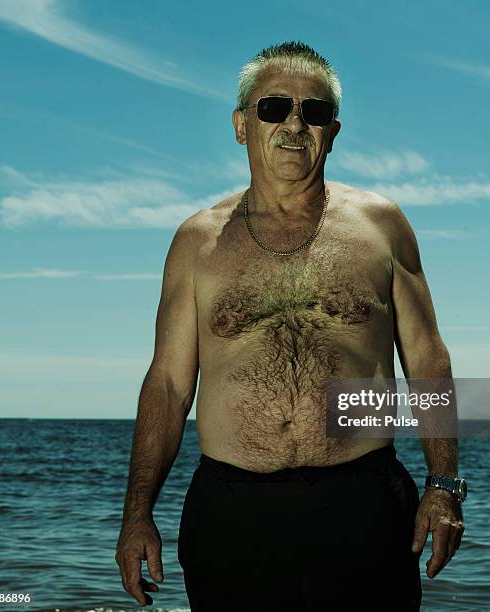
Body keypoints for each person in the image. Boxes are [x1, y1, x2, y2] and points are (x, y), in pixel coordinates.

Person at [115, 40, 465, 612]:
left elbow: (427, 359)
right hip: (233, 510)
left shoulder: (382, 225)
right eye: (274, 107)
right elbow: (169, 385)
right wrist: (137, 516)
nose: (295, 124)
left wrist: (444, 485)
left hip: (364, 502)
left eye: (315, 111)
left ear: (334, 130)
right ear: (241, 125)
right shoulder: (196, 242)